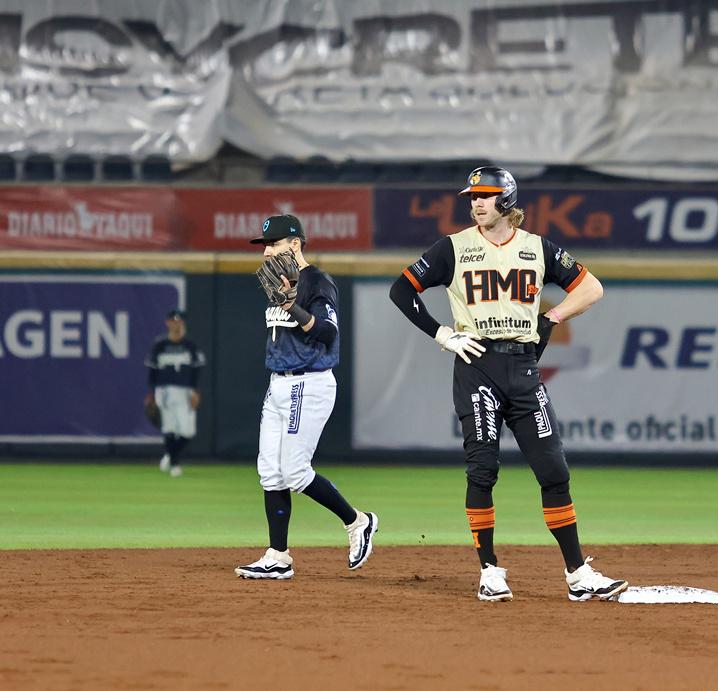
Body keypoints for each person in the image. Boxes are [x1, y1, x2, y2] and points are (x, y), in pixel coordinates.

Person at [389, 166, 628, 602]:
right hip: (476, 363)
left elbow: (591, 288)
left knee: (554, 470)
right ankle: (490, 569)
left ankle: (578, 575)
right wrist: (442, 333)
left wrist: (552, 317)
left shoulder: (538, 248)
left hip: (522, 367)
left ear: (507, 199)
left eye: (485, 195)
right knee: (483, 469)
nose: (476, 202)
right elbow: (401, 291)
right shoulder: (453, 247)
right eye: (472, 196)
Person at [235, 214, 378, 580]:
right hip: (278, 383)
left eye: (274, 244)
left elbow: (327, 333)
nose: (267, 251)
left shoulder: (317, 280)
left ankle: (357, 521)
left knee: (296, 472)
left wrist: (291, 305)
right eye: (265, 245)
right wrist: (284, 300)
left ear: (295, 244)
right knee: (270, 473)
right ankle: (278, 556)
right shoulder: (281, 283)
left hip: (308, 383)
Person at [144, 309, 205, 478]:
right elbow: (152, 370)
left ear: (183, 324)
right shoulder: (160, 345)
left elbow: (196, 372)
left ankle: (170, 455)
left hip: (186, 391)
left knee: (187, 431)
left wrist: (196, 392)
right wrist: (150, 393)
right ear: (167, 323)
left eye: (179, 321)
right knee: (170, 427)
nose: (176, 324)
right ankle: (175, 464)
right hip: (164, 390)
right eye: (173, 320)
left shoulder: (190, 346)